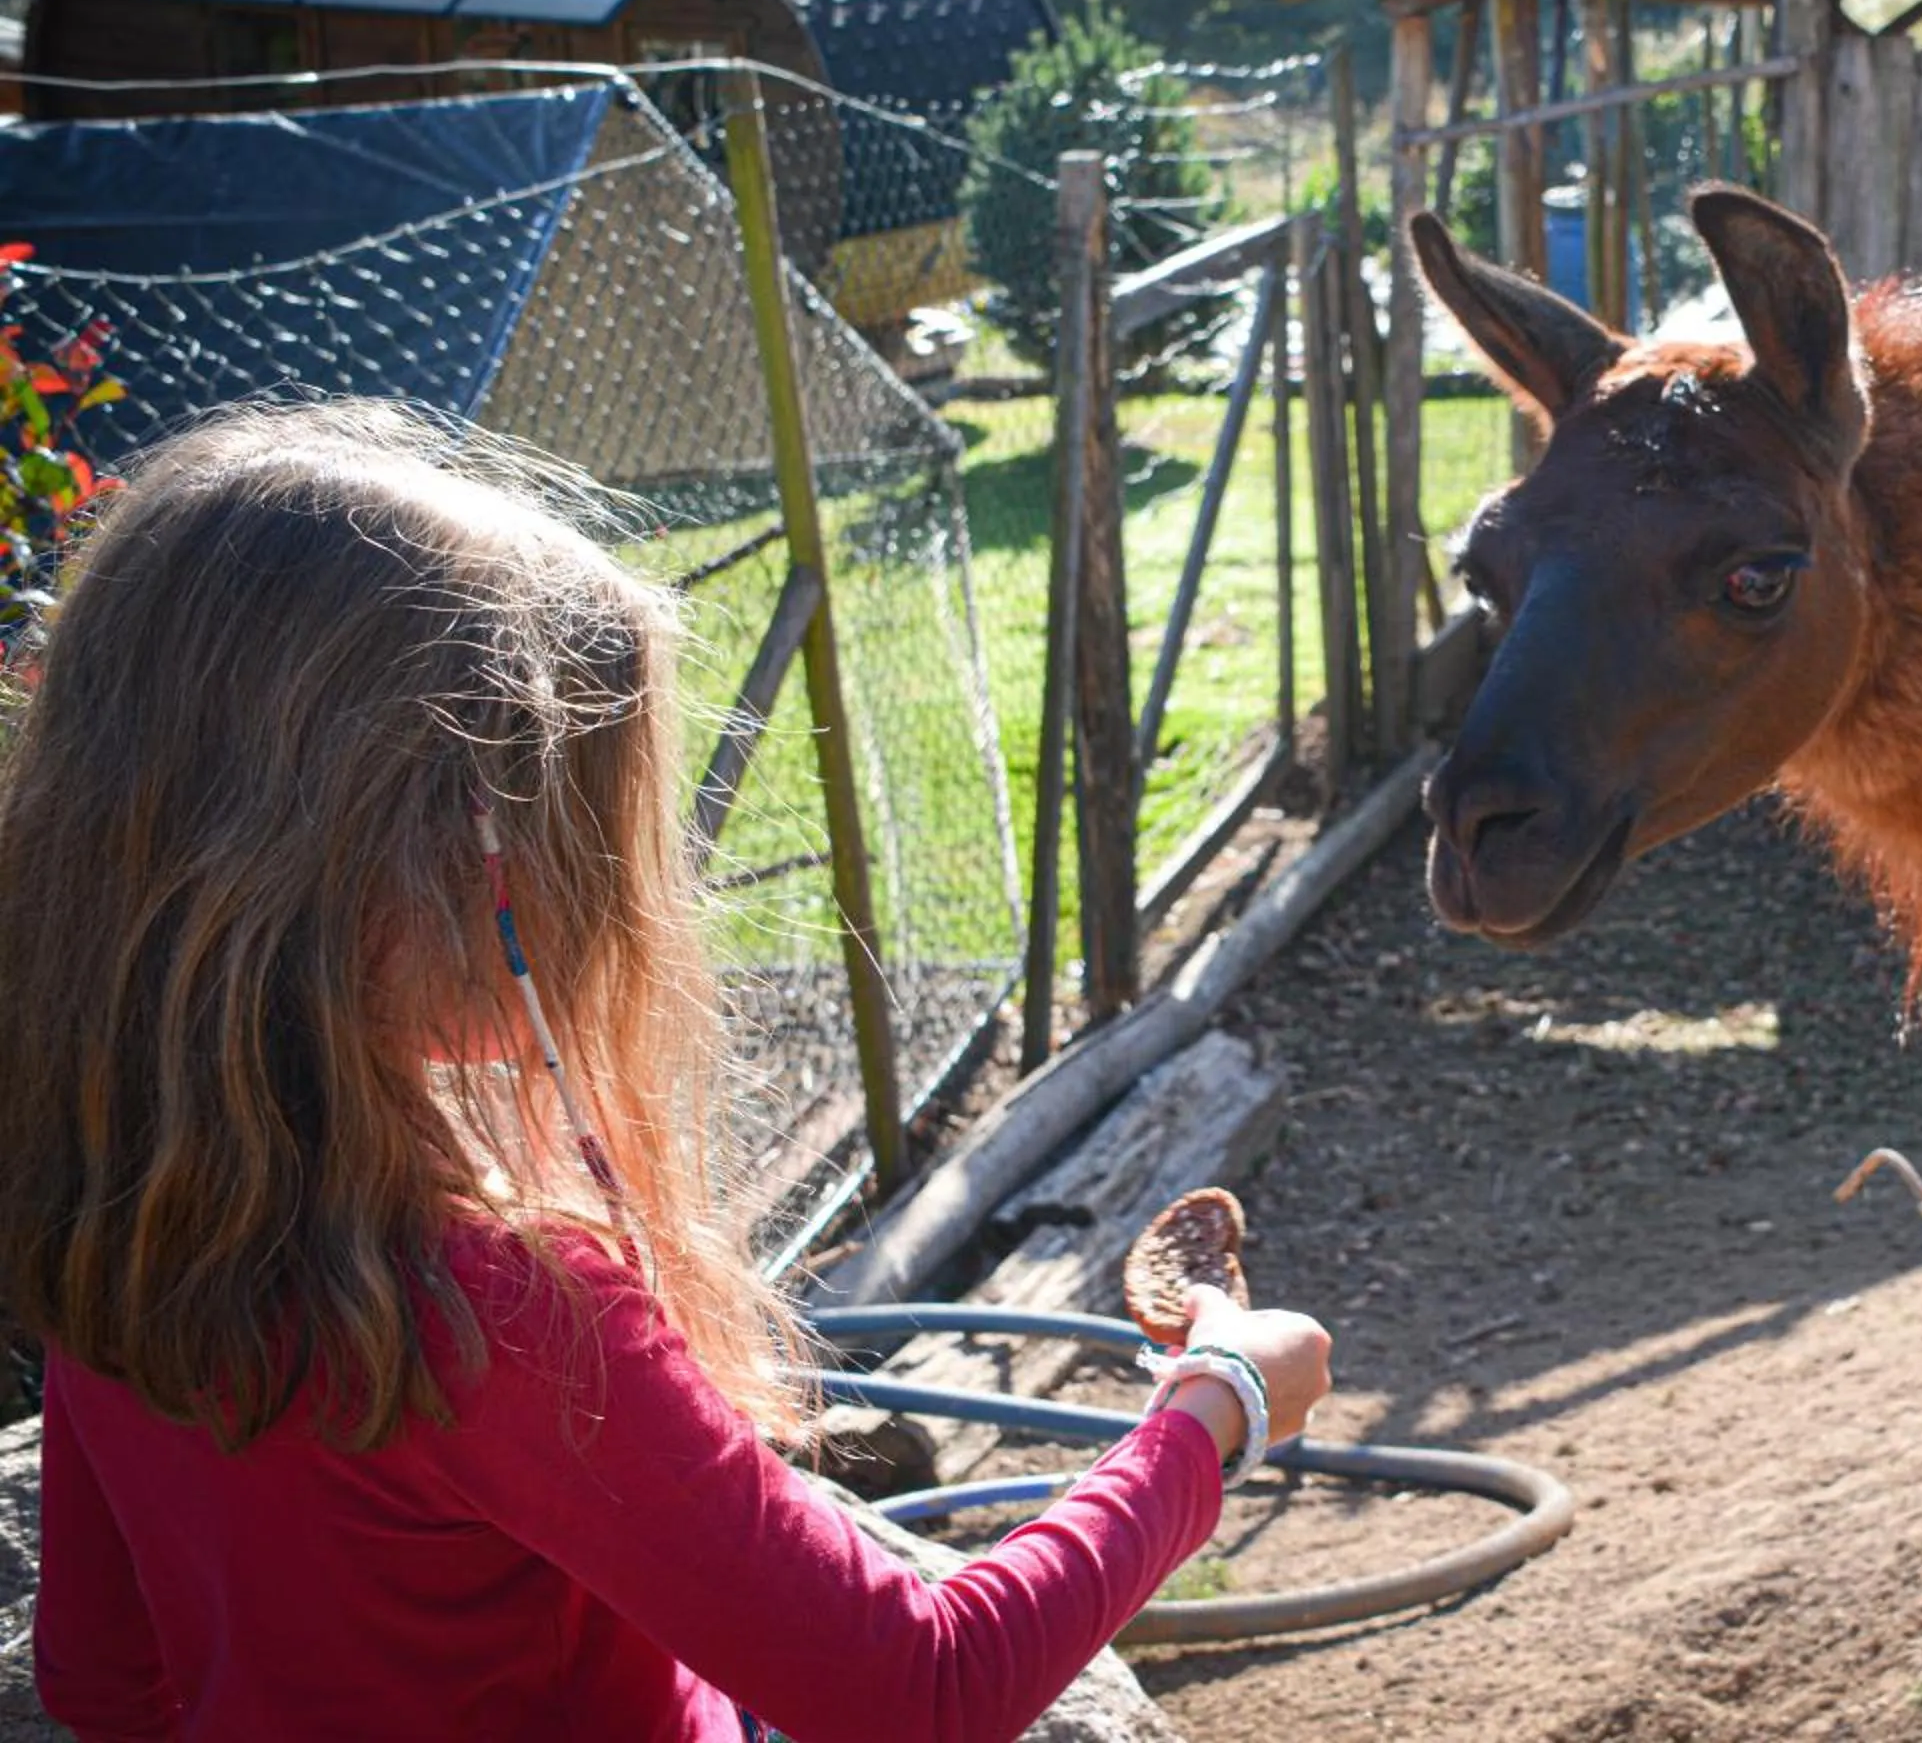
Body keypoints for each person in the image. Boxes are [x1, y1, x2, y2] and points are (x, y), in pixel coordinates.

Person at [0, 402, 1333, 1741]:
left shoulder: (113, 1217)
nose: (616, 903)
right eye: (580, 823)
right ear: (438, 859)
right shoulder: (496, 1311)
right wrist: (1214, 1411)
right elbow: (924, 1687)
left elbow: (102, 1682)